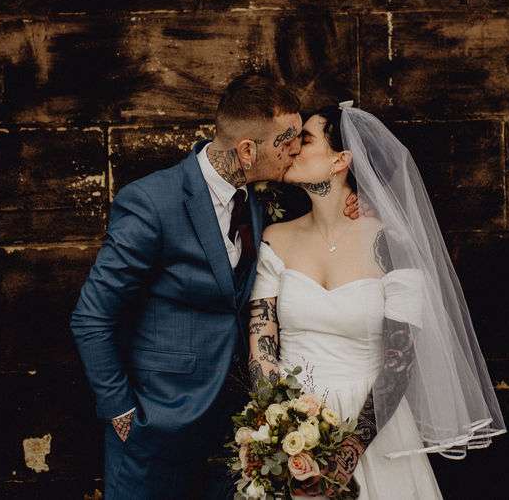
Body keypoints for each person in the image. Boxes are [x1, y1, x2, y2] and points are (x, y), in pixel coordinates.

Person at [69, 72, 361, 499]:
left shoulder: (262, 198)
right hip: (156, 426)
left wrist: (356, 202)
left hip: (234, 437)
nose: (295, 150)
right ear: (247, 150)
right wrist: (121, 412)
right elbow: (92, 316)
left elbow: (326, 208)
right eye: (286, 141)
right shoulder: (152, 202)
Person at [248, 102, 507, 499]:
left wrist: (346, 455)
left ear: (341, 160)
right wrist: (281, 430)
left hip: (374, 425)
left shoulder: (391, 245)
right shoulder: (274, 237)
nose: (292, 149)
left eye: (305, 140)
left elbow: (399, 362)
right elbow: (262, 345)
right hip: (292, 422)